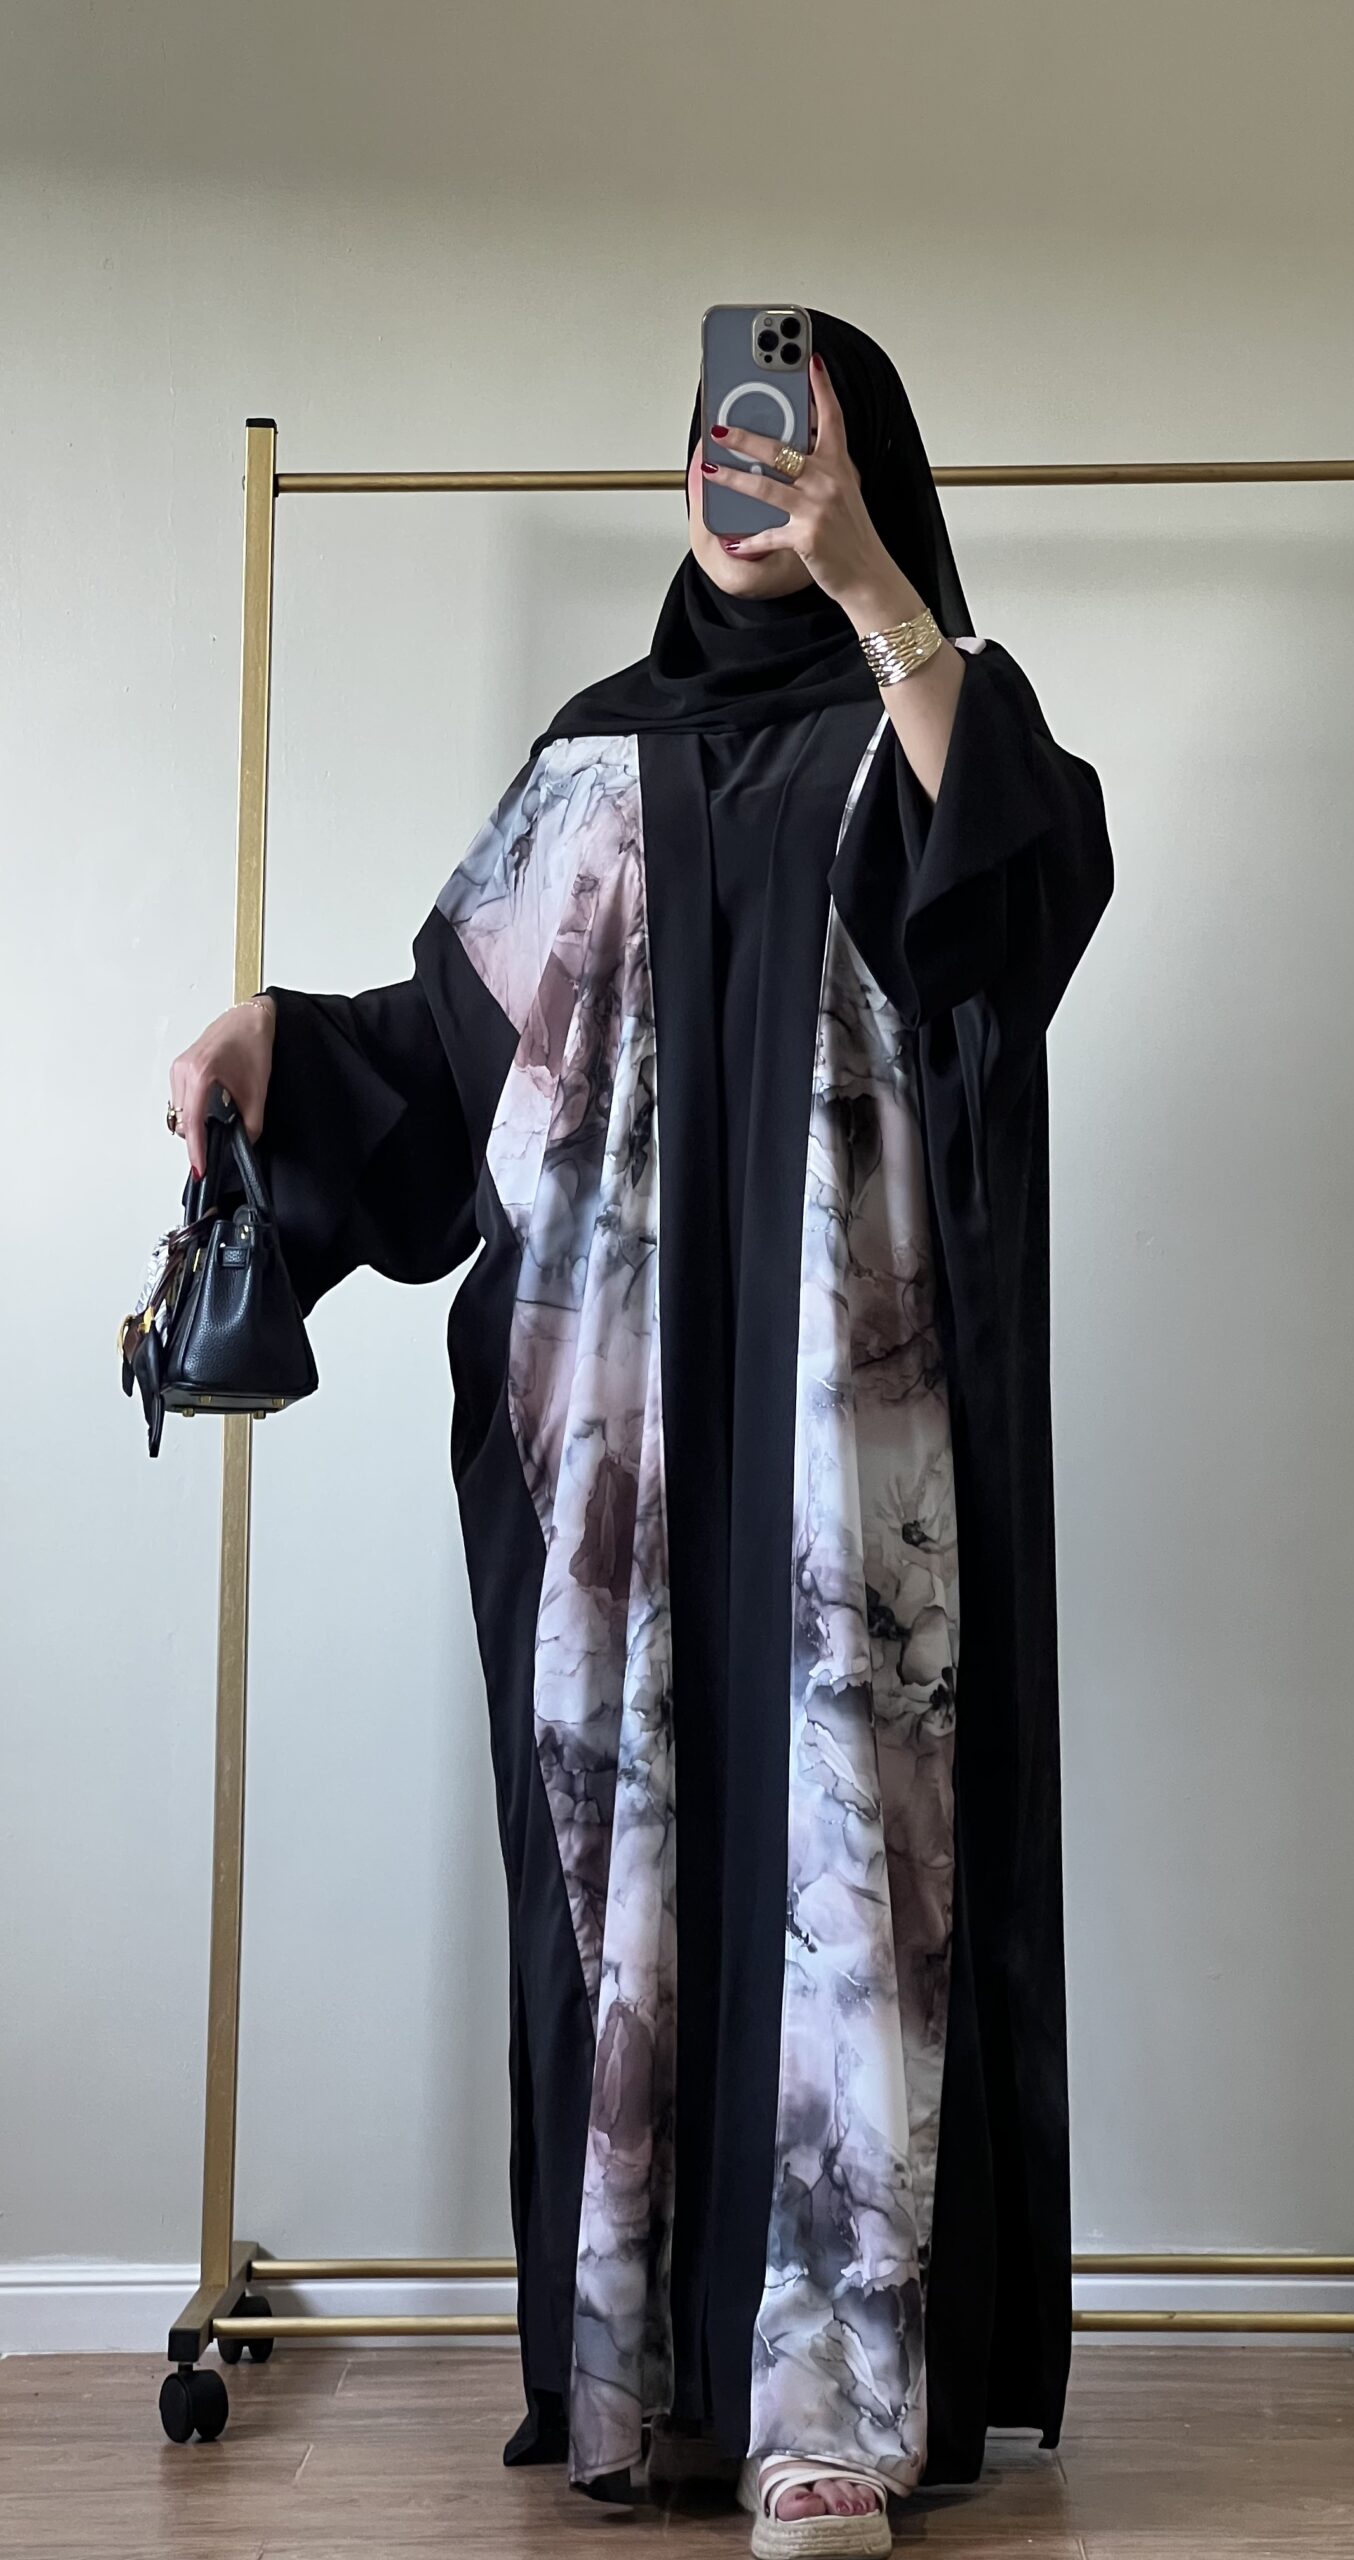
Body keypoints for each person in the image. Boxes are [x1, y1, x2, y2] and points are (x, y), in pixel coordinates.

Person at [168, 309, 1114, 2560]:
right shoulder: (594, 757)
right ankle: (657, 2381)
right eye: (721, 428)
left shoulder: (929, 723)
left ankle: (829, 2403)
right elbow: (449, 1057)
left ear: (868, 464)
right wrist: (281, 1039)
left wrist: (881, 591)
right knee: (633, 1875)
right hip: (618, 1471)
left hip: (859, 1472)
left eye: (797, 430)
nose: (746, 462)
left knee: (854, 1875)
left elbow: (1021, 900)